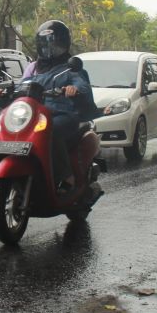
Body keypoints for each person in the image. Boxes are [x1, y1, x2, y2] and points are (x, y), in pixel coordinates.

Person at [26, 20, 95, 193]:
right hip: (35, 114)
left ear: (63, 44)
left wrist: (74, 89)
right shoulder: (35, 68)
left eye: (54, 44)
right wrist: (1, 91)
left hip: (63, 114)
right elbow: (22, 85)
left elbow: (82, 84)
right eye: (45, 44)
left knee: (52, 130)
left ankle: (66, 176)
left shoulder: (71, 68)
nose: (49, 49)